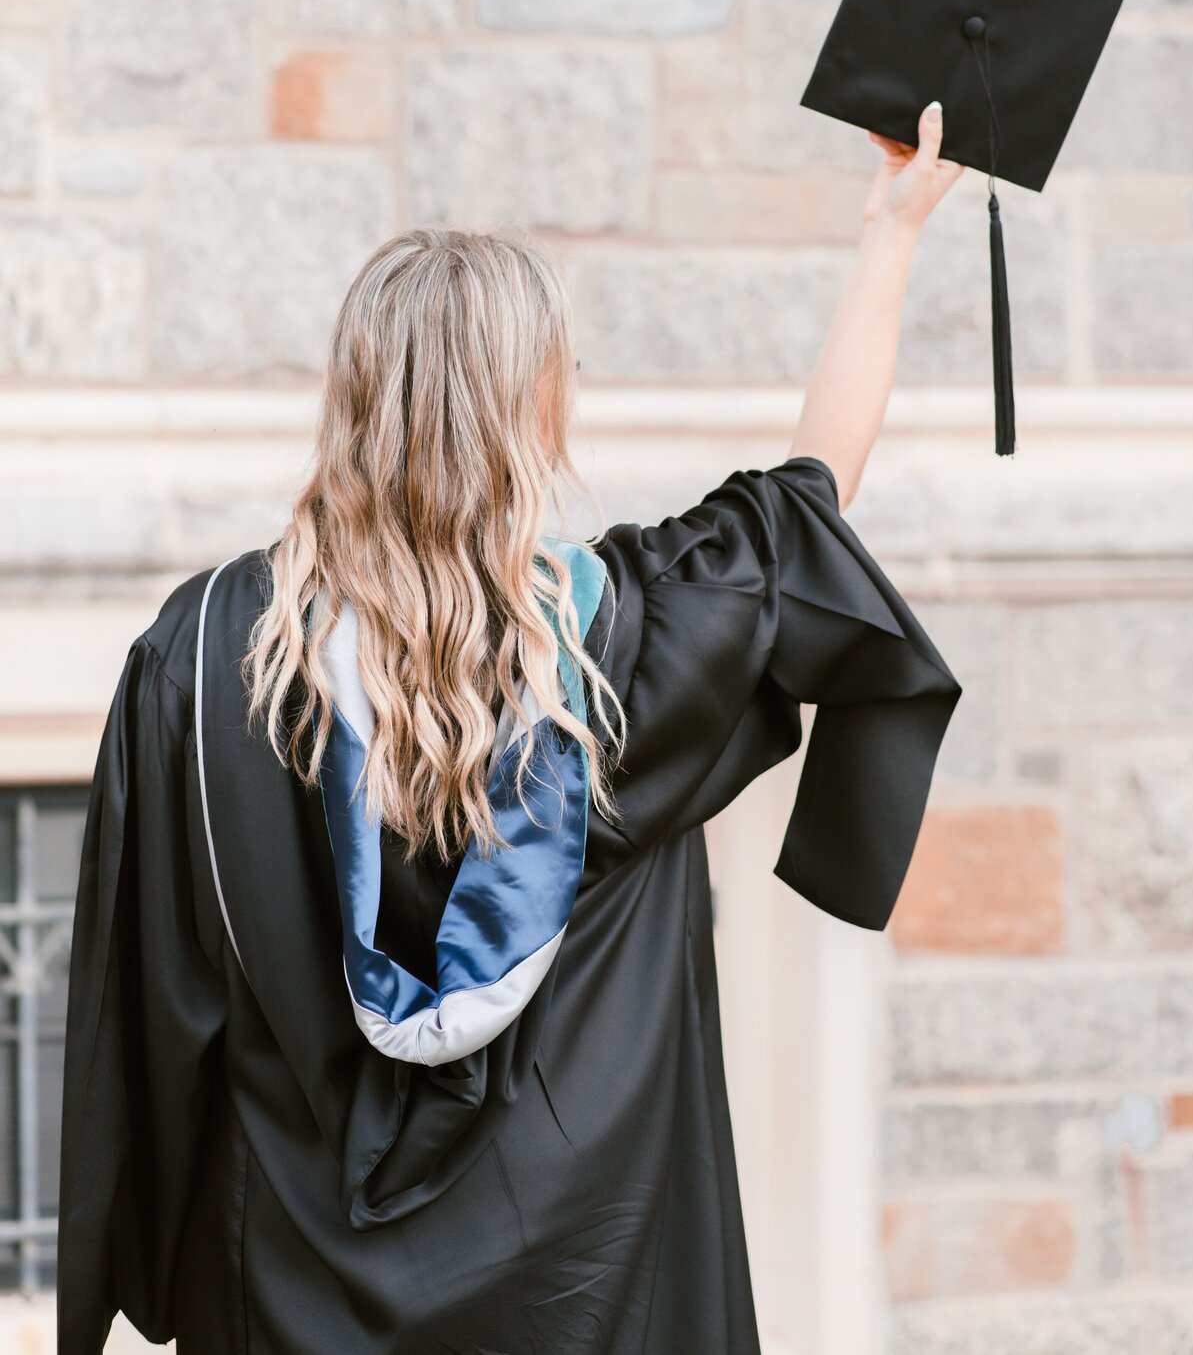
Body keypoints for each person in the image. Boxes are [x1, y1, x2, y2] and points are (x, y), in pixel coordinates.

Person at [58, 104, 964, 1355]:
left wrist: (142, 1266)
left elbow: (150, 1010)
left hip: (285, 1288)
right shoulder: (628, 643)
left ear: (354, 397)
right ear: (537, 405)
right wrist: (891, 231)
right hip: (581, 1295)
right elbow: (815, 492)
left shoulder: (209, 655)